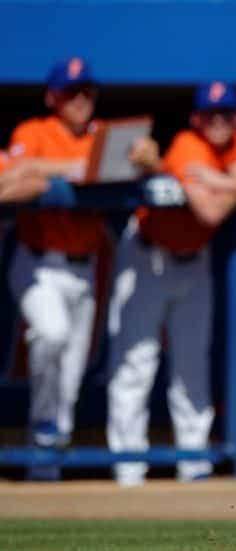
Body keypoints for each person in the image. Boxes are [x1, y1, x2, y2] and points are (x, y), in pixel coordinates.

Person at [106, 82, 236, 486]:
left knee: (192, 367)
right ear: (196, 119)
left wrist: (226, 179)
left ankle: (193, 469)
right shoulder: (187, 146)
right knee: (135, 362)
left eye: (226, 114)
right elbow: (209, 211)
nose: (218, 122)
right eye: (210, 114)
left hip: (195, 261)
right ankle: (128, 471)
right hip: (147, 254)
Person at [8, 57, 159, 480]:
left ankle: (47, 474)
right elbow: (21, 170)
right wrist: (79, 170)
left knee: (71, 377)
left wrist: (146, 159)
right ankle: (41, 428)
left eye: (86, 91)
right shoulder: (35, 132)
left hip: (84, 268)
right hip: (39, 261)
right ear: (52, 96)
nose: (79, 100)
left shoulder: (106, 136)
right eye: (70, 92)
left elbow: (142, 165)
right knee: (50, 333)